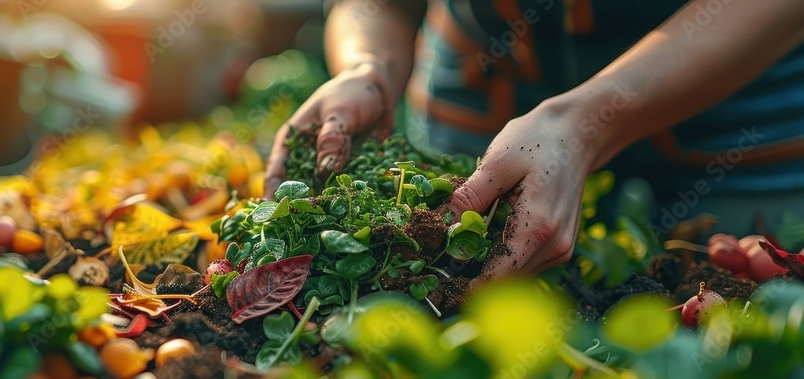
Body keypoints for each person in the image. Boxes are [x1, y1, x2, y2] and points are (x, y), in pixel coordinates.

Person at [263, 0, 804, 288]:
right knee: (456, 277)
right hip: (487, 91)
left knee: (737, 294)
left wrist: (586, 123)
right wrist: (368, 65)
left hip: (732, 103)